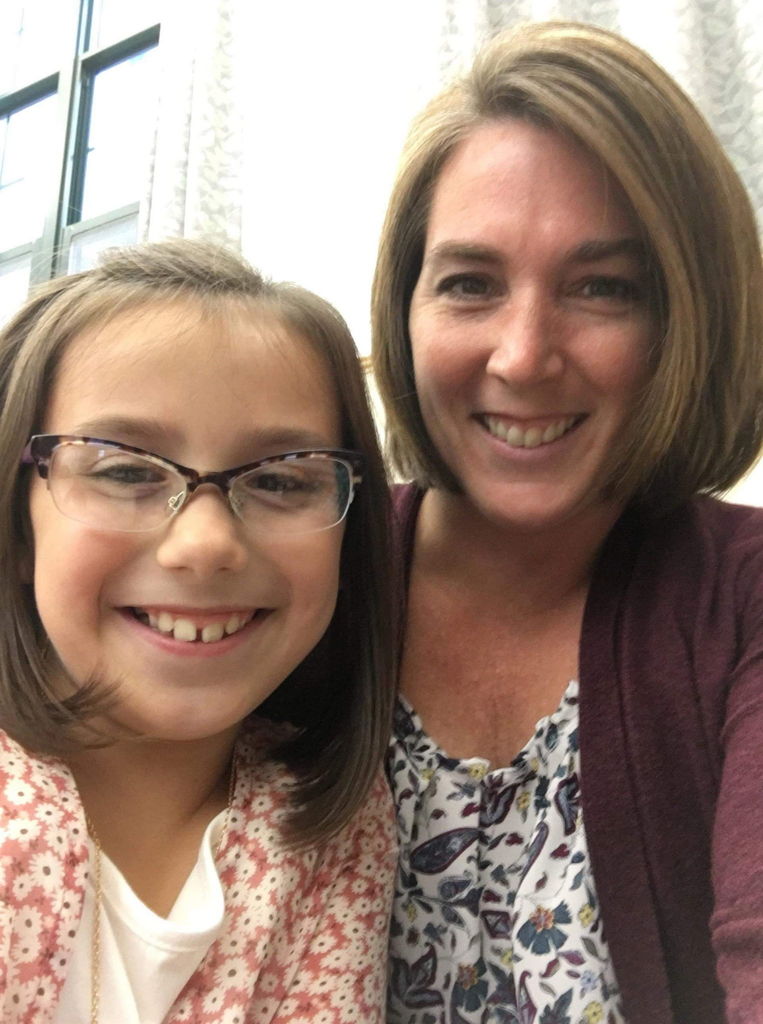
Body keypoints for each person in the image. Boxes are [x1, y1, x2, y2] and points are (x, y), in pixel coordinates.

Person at [372, 20, 763, 1024]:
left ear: (686, 317)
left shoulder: (743, 598)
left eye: (601, 288)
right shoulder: (299, 573)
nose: (522, 356)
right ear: (404, 309)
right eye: (469, 283)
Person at [0, 239, 397, 1023]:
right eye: (124, 470)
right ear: (16, 526)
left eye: (281, 478)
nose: (206, 543)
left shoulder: (334, 828)